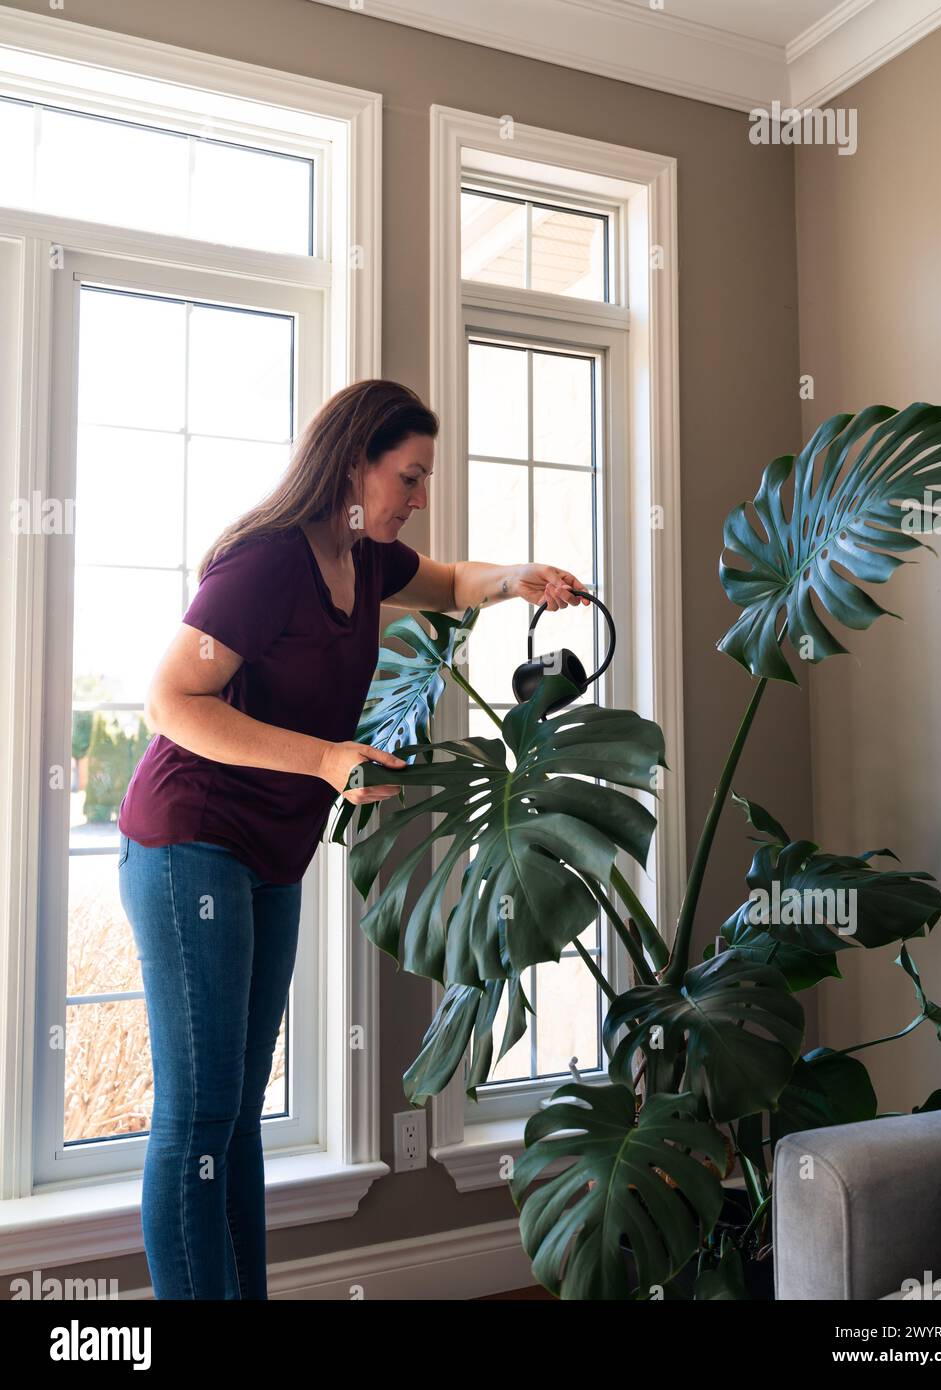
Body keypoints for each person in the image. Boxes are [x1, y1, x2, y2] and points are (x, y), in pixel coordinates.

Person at [116, 377, 590, 1300]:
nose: (417, 499)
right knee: (198, 1112)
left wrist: (516, 578)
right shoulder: (267, 565)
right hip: (190, 839)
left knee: (237, 1115)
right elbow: (170, 700)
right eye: (408, 479)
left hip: (268, 850)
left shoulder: (364, 558)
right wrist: (329, 756)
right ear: (352, 463)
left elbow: (450, 582)